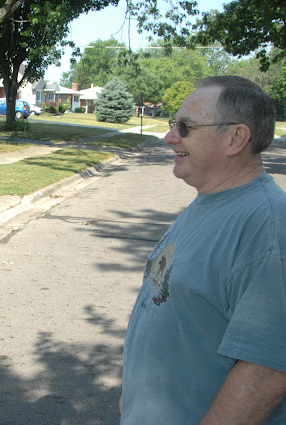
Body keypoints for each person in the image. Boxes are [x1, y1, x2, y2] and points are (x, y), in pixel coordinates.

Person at [120, 76, 286, 424]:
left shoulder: (267, 227)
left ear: (236, 138)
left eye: (186, 127)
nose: (170, 137)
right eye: (172, 125)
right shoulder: (210, 200)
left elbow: (267, 371)